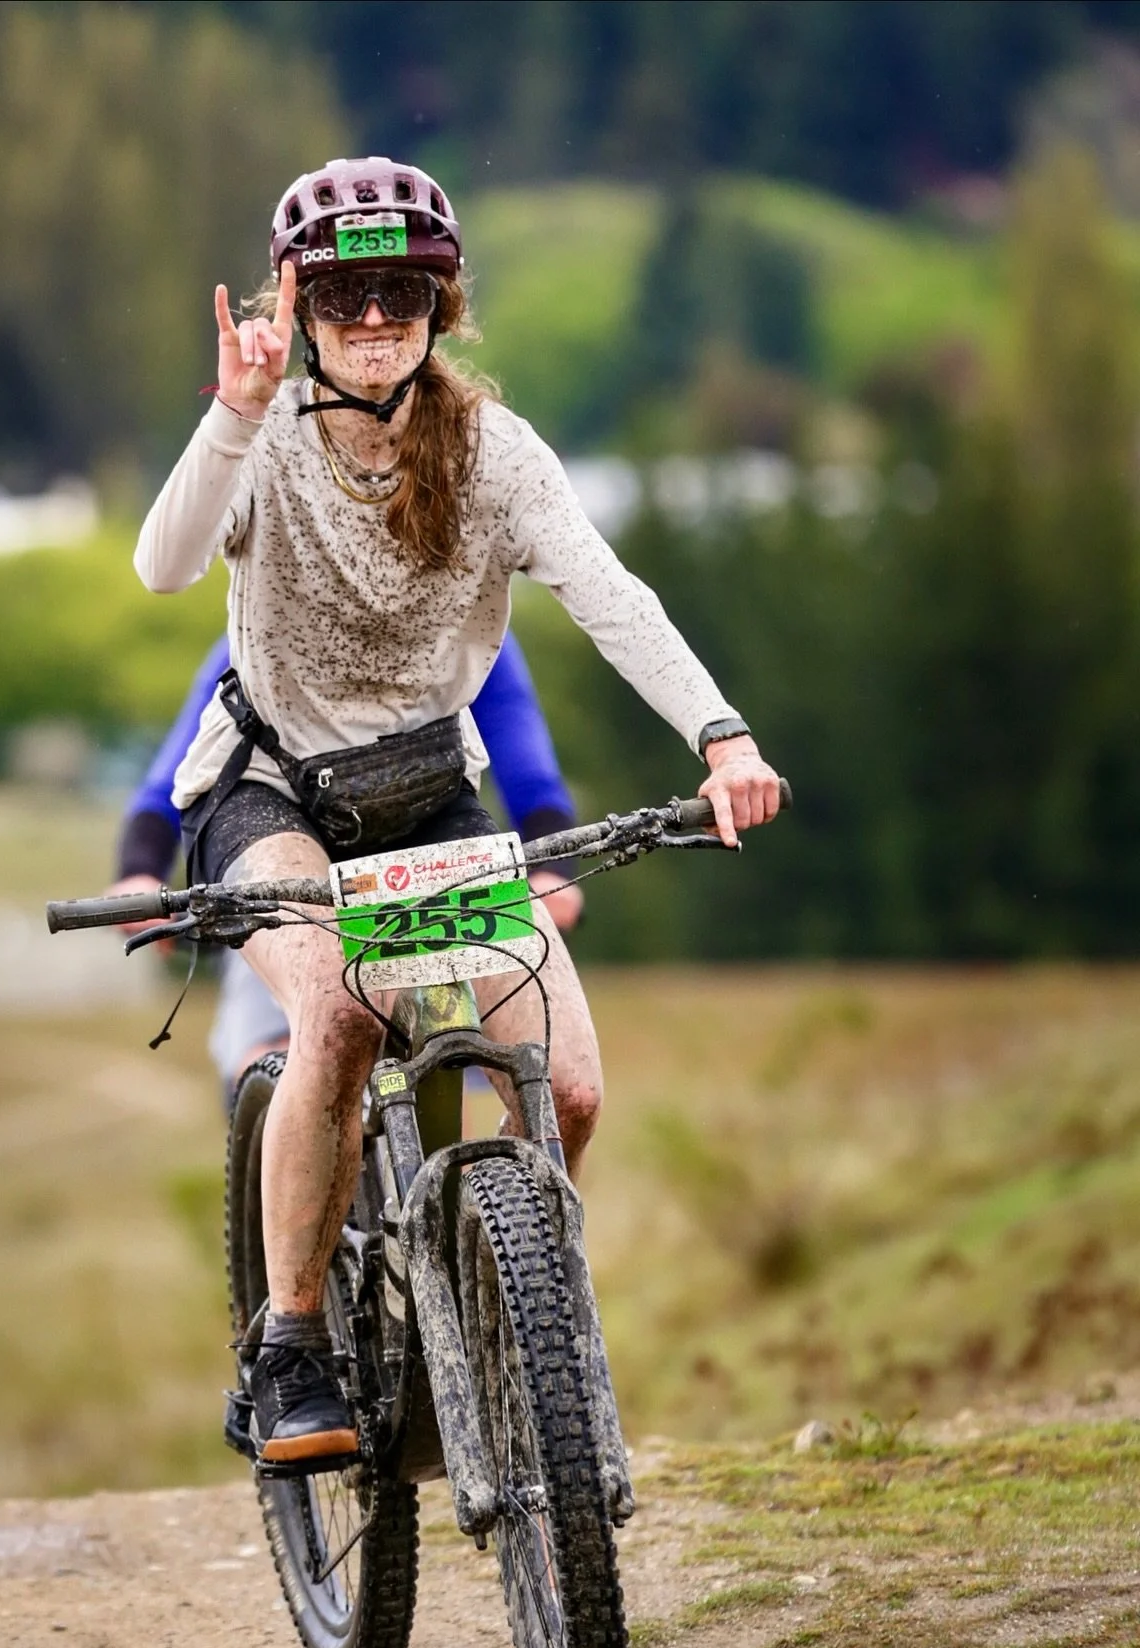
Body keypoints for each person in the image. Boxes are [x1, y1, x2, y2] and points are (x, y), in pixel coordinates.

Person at [133, 156, 780, 1468]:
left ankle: (502, 1301)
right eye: (347, 295)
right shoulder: (259, 436)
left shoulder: (492, 453)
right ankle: (295, 1340)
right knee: (336, 1011)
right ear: (299, 305)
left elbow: (612, 598)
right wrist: (233, 413)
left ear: (444, 305)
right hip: (270, 791)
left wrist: (721, 732)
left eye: (405, 293)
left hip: (430, 797)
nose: (376, 320)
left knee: (575, 1087)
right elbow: (163, 566)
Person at [112, 629, 583, 1089]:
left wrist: (549, 874)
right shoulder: (264, 624)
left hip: (403, 865)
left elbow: (530, 772)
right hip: (283, 862)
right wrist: (141, 868)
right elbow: (179, 775)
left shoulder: (474, 630)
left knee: (445, 1054)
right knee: (281, 1048)